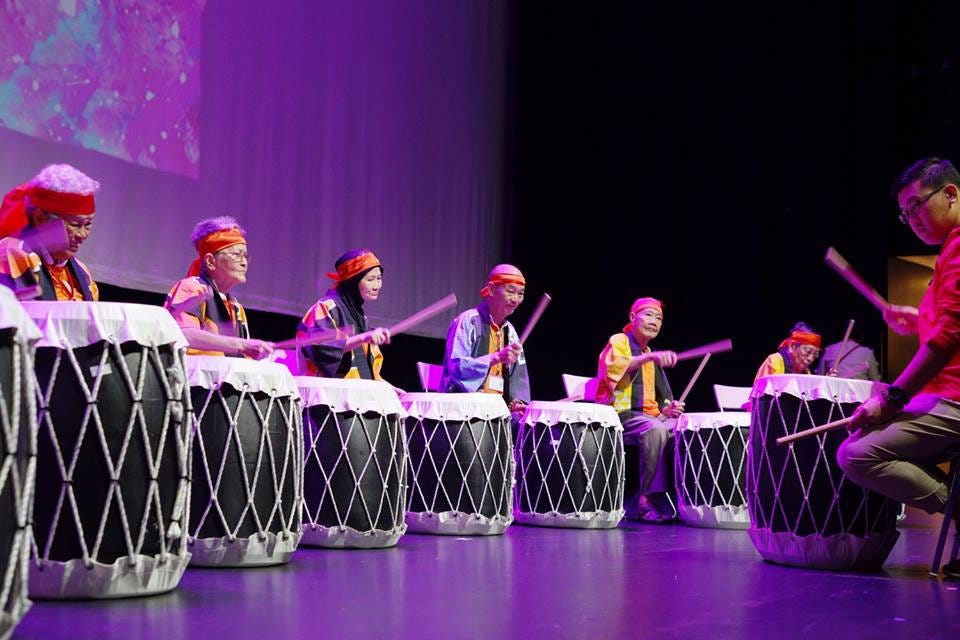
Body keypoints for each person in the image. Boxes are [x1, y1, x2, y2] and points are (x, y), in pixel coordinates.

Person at [838, 157, 960, 578]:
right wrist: (916, 316)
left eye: (916, 206)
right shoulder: (950, 252)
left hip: (956, 401)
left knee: (856, 453)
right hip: (946, 396)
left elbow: (947, 341)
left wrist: (893, 398)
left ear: (950, 194)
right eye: (904, 213)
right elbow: (945, 327)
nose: (910, 220)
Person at [595, 297, 683, 522]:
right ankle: (645, 501)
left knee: (686, 430)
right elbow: (615, 369)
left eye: (659, 318)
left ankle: (683, 500)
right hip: (617, 416)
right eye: (649, 315)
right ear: (633, 318)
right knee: (654, 429)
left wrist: (671, 409)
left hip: (647, 417)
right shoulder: (620, 342)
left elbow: (664, 401)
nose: (654, 321)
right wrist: (648, 357)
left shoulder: (649, 353)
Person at [164, 216, 273, 359]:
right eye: (236, 255)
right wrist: (241, 345)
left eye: (246, 256)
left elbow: (238, 354)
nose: (244, 263)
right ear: (210, 261)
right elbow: (183, 333)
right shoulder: (192, 288)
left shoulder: (236, 308)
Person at [440, 264, 530, 416]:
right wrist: (496, 358)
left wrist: (517, 403)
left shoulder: (511, 332)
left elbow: (519, 377)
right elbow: (456, 367)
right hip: (464, 409)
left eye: (520, 294)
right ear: (492, 289)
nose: (516, 299)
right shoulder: (468, 321)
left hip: (497, 410)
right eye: (510, 292)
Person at [0, 164, 100, 300]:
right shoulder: (11, 256)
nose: (82, 235)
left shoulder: (83, 274)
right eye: (75, 225)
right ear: (40, 218)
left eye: (88, 224)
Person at [298, 249, 392, 379]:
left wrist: (387, 388)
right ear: (353, 281)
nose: (377, 285)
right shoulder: (326, 307)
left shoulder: (359, 316)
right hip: (329, 393)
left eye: (379, 278)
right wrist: (364, 337)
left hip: (354, 393)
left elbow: (364, 369)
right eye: (371, 279)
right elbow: (323, 348)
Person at [754, 322, 822, 380]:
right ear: (792, 346)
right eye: (808, 352)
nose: (811, 359)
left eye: (815, 354)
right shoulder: (774, 361)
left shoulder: (806, 372)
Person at [815, 330, 881, 380]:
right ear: (861, 338)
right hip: (858, 395)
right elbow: (875, 379)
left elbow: (819, 376)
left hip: (833, 393)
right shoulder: (867, 352)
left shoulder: (829, 349)